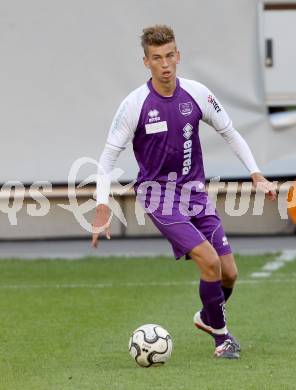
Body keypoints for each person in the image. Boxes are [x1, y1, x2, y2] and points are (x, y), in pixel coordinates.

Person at [91, 25, 277, 359]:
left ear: (178, 56)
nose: (165, 64)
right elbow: (107, 157)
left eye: (169, 56)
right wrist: (102, 207)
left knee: (229, 273)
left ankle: (208, 317)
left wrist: (256, 173)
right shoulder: (135, 105)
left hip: (195, 194)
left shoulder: (196, 94)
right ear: (146, 61)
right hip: (159, 198)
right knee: (208, 262)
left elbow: (230, 131)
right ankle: (223, 341)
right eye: (157, 58)